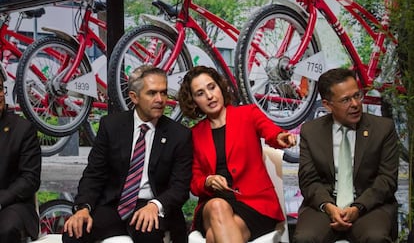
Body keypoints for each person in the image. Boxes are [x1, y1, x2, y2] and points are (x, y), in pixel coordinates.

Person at [63, 65, 193, 243]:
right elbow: (94, 174)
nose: (160, 99)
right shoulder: (111, 126)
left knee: (149, 234)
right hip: (113, 205)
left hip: (151, 206)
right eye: (152, 93)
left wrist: (155, 205)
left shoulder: (179, 135)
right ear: (134, 97)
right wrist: (83, 208)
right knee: (73, 234)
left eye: (164, 93)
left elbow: (180, 187)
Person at [177, 65, 296, 243]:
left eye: (212, 87)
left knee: (213, 237)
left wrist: (280, 136)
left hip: (254, 204)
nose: (209, 96)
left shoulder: (248, 114)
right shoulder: (194, 134)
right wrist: (208, 181)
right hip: (212, 204)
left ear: (220, 87)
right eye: (200, 93)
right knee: (218, 206)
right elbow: (194, 182)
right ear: (193, 101)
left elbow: (270, 131)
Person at [293, 68, 399, 243]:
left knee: (376, 238)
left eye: (357, 96)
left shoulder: (383, 129)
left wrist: (358, 207)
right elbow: (308, 180)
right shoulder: (311, 131)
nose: (355, 104)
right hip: (326, 205)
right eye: (345, 100)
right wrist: (329, 207)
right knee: (305, 238)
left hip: (369, 204)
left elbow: (387, 179)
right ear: (327, 104)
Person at [0, 63, 41, 242]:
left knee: (7, 229)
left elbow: (30, 179)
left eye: (0, 88)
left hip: (12, 204)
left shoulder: (22, 129)